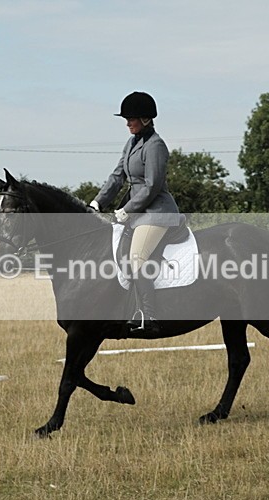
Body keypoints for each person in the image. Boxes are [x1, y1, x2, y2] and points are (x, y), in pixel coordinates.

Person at [89, 91, 180, 334]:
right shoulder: (132, 143)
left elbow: (152, 186)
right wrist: (97, 203)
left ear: (146, 119)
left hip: (157, 212)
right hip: (138, 213)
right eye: (126, 119)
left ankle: (148, 316)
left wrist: (127, 210)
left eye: (131, 119)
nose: (127, 123)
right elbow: (118, 176)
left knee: (137, 258)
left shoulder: (156, 146)